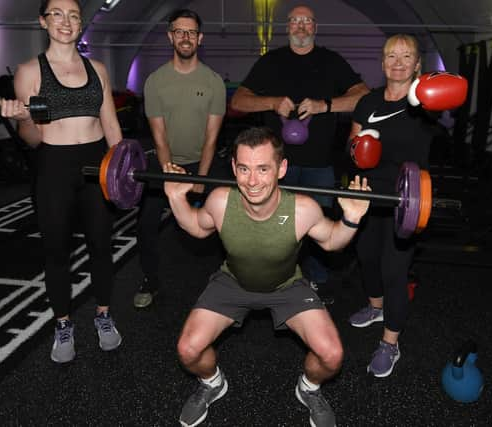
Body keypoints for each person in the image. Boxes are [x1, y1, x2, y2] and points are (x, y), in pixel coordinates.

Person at [163, 127, 370, 427]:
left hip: (287, 285)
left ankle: (309, 388)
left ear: (281, 168)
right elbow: (196, 226)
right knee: (188, 350)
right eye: (244, 169)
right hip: (232, 282)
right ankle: (211, 383)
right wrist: (175, 197)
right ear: (233, 167)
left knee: (332, 356)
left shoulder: (302, 209)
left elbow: (331, 241)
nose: (252, 181)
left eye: (263, 169)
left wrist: (351, 219)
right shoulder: (221, 201)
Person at [0, 0, 123, 363]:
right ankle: (63, 324)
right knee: (56, 250)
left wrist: (120, 168)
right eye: (57, 14)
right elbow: (33, 139)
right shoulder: (28, 72)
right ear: (43, 21)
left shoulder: (97, 68)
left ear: (81, 22)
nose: (66, 21)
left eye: (73, 15)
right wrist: (22, 118)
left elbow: (111, 123)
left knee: (102, 244)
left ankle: (103, 315)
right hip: (54, 164)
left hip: (97, 161)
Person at [230, 5, 369, 304]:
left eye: (307, 21)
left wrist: (325, 105)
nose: (301, 26)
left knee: (319, 227)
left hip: (319, 164)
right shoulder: (271, 62)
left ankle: (316, 282)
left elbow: (364, 96)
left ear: (315, 28)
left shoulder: (331, 61)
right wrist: (271, 102)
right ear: (288, 27)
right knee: (273, 224)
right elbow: (240, 100)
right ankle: (270, 280)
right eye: (296, 21)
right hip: (276, 166)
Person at [347, 34, 436, 377]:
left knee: (394, 271)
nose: (397, 62)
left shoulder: (425, 104)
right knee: (366, 256)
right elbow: (350, 146)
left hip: (408, 198)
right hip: (369, 194)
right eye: (391, 56)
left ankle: (390, 344)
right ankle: (375, 307)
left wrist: (430, 92)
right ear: (382, 63)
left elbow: (447, 101)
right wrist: (360, 148)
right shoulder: (367, 102)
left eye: (406, 56)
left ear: (417, 65)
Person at [134, 8, 226, 309]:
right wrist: (169, 174)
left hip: (203, 162)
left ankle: (228, 279)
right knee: (146, 222)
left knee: (228, 216)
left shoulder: (213, 82)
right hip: (166, 162)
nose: (185, 37)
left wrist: (200, 179)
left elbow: (212, 137)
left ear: (200, 39)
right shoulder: (155, 81)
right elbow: (158, 136)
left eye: (191, 32)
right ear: (170, 36)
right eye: (179, 31)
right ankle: (151, 280)